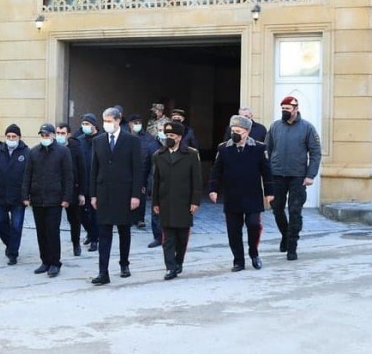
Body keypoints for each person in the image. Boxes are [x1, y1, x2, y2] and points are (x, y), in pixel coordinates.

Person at [209, 115, 274, 272]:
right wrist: (213, 189)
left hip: (252, 195)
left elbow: (266, 172)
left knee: (253, 225)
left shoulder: (258, 148)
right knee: (233, 230)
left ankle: (254, 253)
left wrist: (269, 192)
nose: (235, 133)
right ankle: (238, 260)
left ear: (247, 131)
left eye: (238, 131)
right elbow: (216, 171)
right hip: (232, 195)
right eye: (233, 130)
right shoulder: (224, 148)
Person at [89, 107, 143, 285]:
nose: (107, 124)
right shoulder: (98, 141)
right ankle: (103, 272)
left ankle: (124, 263)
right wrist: (93, 195)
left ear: (118, 121)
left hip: (124, 193)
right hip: (104, 192)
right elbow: (94, 169)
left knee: (123, 230)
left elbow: (137, 170)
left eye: (110, 120)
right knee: (104, 232)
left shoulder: (132, 141)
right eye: (105, 120)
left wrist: (136, 195)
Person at [265, 96, 322, 261]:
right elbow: (267, 150)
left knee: (295, 211)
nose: (284, 112)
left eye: (287, 109)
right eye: (282, 109)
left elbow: (315, 153)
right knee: (277, 208)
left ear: (296, 109)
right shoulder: (275, 127)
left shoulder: (307, 128)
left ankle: (292, 245)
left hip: (297, 176)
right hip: (277, 175)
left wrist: (310, 175)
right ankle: (285, 234)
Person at [22, 123, 73, 278]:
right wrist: (25, 195)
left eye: (47, 135)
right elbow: (27, 175)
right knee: (41, 232)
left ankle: (55, 263)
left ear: (53, 135)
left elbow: (68, 176)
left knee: (52, 232)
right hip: (38, 199)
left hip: (54, 199)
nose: (45, 138)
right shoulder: (34, 152)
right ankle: (44, 261)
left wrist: (66, 197)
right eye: (42, 135)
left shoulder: (63, 151)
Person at [152, 121, 202, 281]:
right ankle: (170, 267)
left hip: (184, 202)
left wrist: (195, 201)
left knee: (182, 237)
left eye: (172, 136)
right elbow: (156, 181)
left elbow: (197, 180)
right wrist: (155, 203)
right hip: (165, 201)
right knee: (168, 238)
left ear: (180, 137)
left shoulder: (191, 154)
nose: (168, 138)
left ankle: (178, 261)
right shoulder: (159, 155)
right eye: (167, 135)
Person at [0, 124, 30, 265]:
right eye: (8, 136)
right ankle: (10, 244)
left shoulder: (26, 153)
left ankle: (12, 254)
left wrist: (28, 196)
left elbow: (30, 176)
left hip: (19, 197)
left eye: (14, 136)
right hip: (1, 195)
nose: (11, 139)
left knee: (16, 226)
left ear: (19, 137)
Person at [55, 123, 87, 256]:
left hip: (73, 189)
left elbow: (82, 170)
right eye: (58, 133)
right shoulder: (52, 147)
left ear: (68, 134)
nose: (60, 136)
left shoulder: (76, 148)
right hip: (55, 189)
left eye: (63, 133)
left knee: (74, 219)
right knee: (54, 220)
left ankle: (76, 243)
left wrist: (81, 193)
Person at [76, 113, 100, 252]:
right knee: (81, 212)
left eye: (88, 124)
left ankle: (95, 239)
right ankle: (90, 233)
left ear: (94, 125)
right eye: (83, 124)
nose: (85, 127)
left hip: (96, 181)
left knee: (94, 211)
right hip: (83, 180)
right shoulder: (80, 140)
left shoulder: (102, 139)